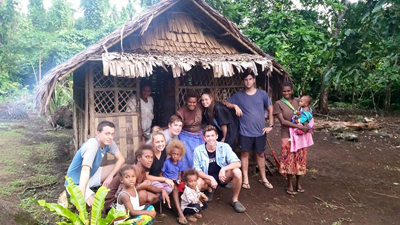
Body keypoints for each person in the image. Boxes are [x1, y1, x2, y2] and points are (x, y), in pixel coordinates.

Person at [225, 71, 274, 190]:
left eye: (250, 79)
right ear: (243, 81)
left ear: (254, 80)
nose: (248, 82)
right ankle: (245, 179)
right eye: (246, 80)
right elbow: (225, 102)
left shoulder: (262, 94)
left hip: (260, 131)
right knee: (245, 153)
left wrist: (271, 125)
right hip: (245, 131)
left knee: (260, 154)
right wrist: (235, 106)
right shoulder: (238, 96)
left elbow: (270, 108)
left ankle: (264, 178)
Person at [65, 121, 125, 206]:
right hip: (76, 182)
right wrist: (81, 197)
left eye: (112, 134)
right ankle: (85, 195)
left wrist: (110, 177)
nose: (110, 137)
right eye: (107, 134)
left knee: (123, 169)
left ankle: (112, 197)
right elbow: (85, 171)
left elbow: (121, 159)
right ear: (98, 133)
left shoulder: (109, 142)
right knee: (96, 206)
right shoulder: (92, 145)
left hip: (92, 174)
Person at [193, 125, 246, 213]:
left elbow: (237, 163)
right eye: (208, 136)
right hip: (207, 178)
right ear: (204, 138)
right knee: (197, 184)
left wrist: (224, 169)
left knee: (237, 172)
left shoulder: (225, 146)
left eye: (212, 135)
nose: (210, 138)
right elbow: (196, 170)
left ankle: (235, 200)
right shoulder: (198, 150)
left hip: (222, 177)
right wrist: (210, 178)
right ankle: (207, 192)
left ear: (217, 136)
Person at [104, 145, 171, 210]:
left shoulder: (142, 171)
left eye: (151, 157)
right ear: (139, 158)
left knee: (154, 197)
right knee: (142, 194)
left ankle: (136, 212)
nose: (150, 160)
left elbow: (149, 186)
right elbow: (120, 193)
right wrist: (141, 187)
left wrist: (162, 190)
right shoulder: (131, 172)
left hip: (123, 200)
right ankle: (131, 216)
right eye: (147, 157)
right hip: (112, 204)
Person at [273, 82, 310, 195]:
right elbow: (283, 121)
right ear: (281, 92)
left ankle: (298, 183)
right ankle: (289, 184)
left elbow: (307, 113)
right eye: (284, 91)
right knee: (288, 159)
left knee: (300, 158)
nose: (286, 93)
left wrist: (307, 125)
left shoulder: (299, 101)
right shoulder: (278, 104)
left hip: (300, 135)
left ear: (292, 90)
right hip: (287, 135)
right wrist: (299, 126)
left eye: (288, 91)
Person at [146, 131, 188, 225]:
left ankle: (180, 212)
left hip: (161, 178)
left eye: (162, 141)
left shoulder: (164, 151)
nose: (160, 144)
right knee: (170, 187)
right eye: (157, 142)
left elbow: (171, 163)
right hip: (151, 180)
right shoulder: (150, 155)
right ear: (153, 143)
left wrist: (172, 177)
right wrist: (165, 179)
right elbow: (146, 176)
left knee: (175, 186)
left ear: (165, 141)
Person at [176, 90, 204, 170]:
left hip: (199, 135)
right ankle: (188, 175)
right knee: (187, 155)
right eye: (190, 102)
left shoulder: (200, 107)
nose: (192, 104)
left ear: (197, 102)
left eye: (194, 102)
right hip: (186, 136)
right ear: (186, 101)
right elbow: (175, 124)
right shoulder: (181, 112)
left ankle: (200, 174)